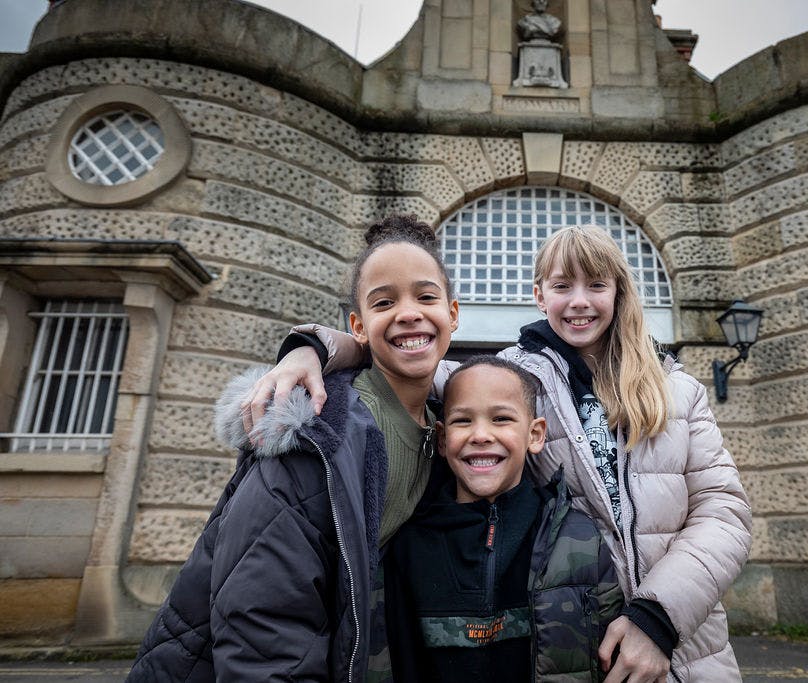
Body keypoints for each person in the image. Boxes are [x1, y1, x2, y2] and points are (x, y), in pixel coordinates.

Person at [249, 225, 753, 681]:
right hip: (579, 640)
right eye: (562, 286)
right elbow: (408, 352)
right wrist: (312, 349)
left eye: (596, 285)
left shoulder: (677, 389)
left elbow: (723, 512)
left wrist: (658, 618)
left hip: (685, 639)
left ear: (619, 293)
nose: (579, 302)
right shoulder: (511, 378)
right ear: (539, 295)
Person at [126, 215, 459, 681]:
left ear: (453, 314)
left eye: (426, 297)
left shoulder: (450, 424)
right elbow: (263, 618)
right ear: (358, 326)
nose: (409, 313)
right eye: (385, 302)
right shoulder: (315, 433)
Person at [381, 355, 623, 681]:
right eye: (463, 421)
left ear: (535, 435)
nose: (480, 434)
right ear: (441, 438)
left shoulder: (578, 540)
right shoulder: (407, 546)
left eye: (501, 419)